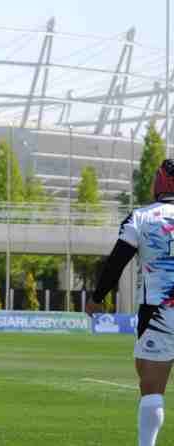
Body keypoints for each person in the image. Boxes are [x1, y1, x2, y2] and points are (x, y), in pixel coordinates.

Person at [87, 158, 174, 446]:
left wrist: (97, 297)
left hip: (159, 313)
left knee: (152, 389)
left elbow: (117, 261)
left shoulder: (141, 217)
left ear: (160, 181)